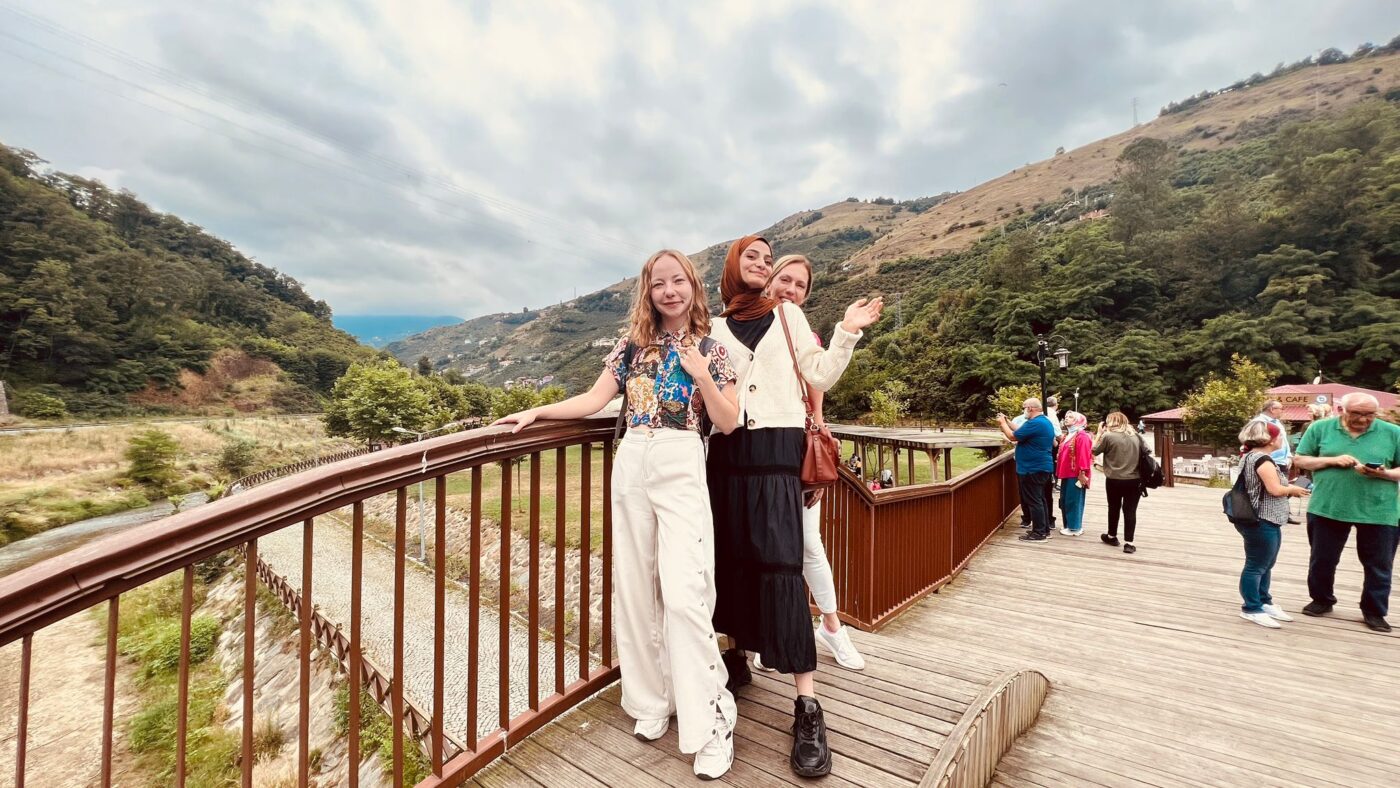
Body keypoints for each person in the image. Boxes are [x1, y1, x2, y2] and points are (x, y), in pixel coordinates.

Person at [493, 249, 740, 778]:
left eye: (678, 281)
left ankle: (712, 721)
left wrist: (702, 375)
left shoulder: (713, 348)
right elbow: (592, 399)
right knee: (635, 589)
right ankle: (654, 700)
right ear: (648, 291)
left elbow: (728, 421)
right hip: (631, 462)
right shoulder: (630, 346)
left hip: (680, 458)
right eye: (659, 283)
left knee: (685, 594)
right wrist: (536, 411)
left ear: (693, 286)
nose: (669, 291)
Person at [707, 235, 881, 778]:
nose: (762, 264)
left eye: (768, 258)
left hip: (777, 455)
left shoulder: (789, 316)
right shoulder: (711, 327)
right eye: (752, 257)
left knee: (783, 566)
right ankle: (736, 655)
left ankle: (807, 706)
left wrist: (847, 331)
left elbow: (820, 374)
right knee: (729, 561)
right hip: (725, 455)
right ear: (733, 266)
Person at [751, 253, 866, 672]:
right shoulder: (749, 327)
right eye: (785, 279)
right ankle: (771, 633)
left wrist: (816, 439)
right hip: (755, 453)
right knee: (764, 546)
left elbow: (816, 396)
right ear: (769, 281)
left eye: (800, 285)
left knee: (807, 543)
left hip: (794, 452)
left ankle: (832, 627)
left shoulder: (802, 333)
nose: (791, 289)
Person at [1292, 392, 1400, 633]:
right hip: (1328, 506)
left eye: (1369, 414)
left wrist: (1384, 473)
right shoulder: (1320, 428)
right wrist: (1331, 460)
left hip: (1379, 509)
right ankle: (1322, 599)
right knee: (1323, 559)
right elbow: (1300, 460)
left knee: (1379, 565)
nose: (1363, 419)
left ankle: (1374, 611)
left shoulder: (1393, 432)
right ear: (1342, 410)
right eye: (1357, 414)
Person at [1233, 421, 1310, 628]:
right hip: (1262, 519)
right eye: (1280, 435)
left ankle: (1264, 601)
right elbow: (1274, 490)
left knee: (1265, 563)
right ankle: (1251, 608)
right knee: (1256, 565)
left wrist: (1289, 486)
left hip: (1264, 518)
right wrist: (1293, 490)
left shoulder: (1250, 456)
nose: (1282, 439)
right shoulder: (1263, 460)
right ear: (1270, 440)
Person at [996, 398, 1056, 542]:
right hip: (1040, 467)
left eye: (1024, 407)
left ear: (1030, 408)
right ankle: (1044, 530)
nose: (1024, 411)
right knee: (1040, 499)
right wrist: (1008, 421)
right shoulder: (1043, 421)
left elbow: (1013, 436)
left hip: (1032, 469)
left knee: (1034, 501)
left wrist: (1002, 424)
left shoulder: (1035, 423)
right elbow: (1020, 431)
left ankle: (1039, 533)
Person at [1094, 412, 1142, 553]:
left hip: (1114, 479)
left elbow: (1094, 451)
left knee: (1114, 507)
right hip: (1134, 479)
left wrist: (1099, 433)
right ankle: (1129, 543)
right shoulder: (1136, 436)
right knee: (1130, 510)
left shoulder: (1108, 436)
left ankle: (1112, 536)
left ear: (1111, 422)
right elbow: (1147, 451)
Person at [1252, 400, 1298, 523]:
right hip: (1269, 460)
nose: (1282, 411)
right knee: (1272, 489)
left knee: (1283, 486)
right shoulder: (1259, 423)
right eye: (1281, 409)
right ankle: (1265, 513)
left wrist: (1289, 456)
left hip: (1282, 460)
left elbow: (1284, 441)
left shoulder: (1277, 422)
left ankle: (1284, 513)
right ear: (1272, 409)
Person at [1056, 411, 1092, 536]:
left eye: (1070, 417)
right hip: (1066, 472)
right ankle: (1069, 525)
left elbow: (1084, 455)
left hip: (1076, 474)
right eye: (1066, 416)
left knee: (1074, 500)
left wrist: (1082, 473)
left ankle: (1075, 527)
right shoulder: (1068, 435)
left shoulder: (1082, 436)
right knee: (1065, 500)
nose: (1066, 418)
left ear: (1078, 420)